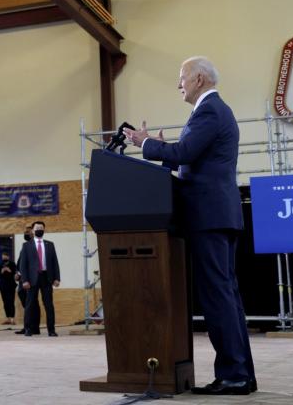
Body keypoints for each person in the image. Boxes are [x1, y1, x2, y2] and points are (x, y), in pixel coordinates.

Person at [124, 56, 256, 396]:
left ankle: (234, 375)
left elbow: (186, 151)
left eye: (182, 78)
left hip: (209, 216)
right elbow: (192, 157)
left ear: (198, 78)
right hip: (218, 214)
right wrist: (168, 151)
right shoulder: (212, 111)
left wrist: (146, 143)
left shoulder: (209, 110)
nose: (178, 84)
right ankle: (240, 373)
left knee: (217, 296)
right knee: (226, 296)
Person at [17, 220, 60, 337]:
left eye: (41, 228)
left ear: (44, 230)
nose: (39, 230)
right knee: (30, 304)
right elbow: (23, 265)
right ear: (33, 230)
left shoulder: (50, 244)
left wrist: (57, 278)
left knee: (49, 305)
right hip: (32, 279)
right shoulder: (26, 246)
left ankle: (51, 330)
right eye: (37, 228)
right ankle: (28, 329)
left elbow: (54, 262)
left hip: (47, 278)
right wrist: (24, 280)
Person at [14, 225, 40, 335]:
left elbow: (32, 264)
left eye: (28, 232)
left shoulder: (35, 246)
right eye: (25, 232)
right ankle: (31, 326)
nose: (26, 234)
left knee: (32, 303)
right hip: (22, 278)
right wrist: (18, 273)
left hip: (30, 279)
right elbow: (21, 262)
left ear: (34, 233)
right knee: (29, 304)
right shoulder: (25, 246)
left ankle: (31, 327)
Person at [0, 250, 17, 325]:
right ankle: (7, 318)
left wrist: (9, 270)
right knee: (5, 302)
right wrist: (2, 271)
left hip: (11, 285)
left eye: (5, 255)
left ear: (8, 256)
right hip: (3, 286)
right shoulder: (0, 264)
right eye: (3, 255)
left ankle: (12, 319)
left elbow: (16, 274)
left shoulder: (12, 264)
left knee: (11, 302)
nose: (4, 256)